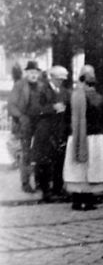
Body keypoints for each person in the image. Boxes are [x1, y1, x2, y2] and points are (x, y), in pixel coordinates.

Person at [63, 65, 103, 210]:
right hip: (94, 137)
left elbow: (67, 118)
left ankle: (77, 200)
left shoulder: (74, 95)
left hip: (77, 137)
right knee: (91, 168)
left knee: (79, 169)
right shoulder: (96, 97)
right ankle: (89, 199)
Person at [33, 66, 70, 202]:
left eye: (62, 80)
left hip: (59, 130)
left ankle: (58, 188)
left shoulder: (65, 92)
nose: (61, 82)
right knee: (45, 161)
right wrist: (52, 108)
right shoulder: (42, 90)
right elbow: (35, 109)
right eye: (59, 79)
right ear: (52, 77)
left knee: (59, 160)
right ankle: (45, 191)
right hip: (45, 131)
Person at [7, 61, 43, 193]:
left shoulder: (41, 85)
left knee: (40, 153)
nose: (34, 75)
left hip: (39, 123)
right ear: (26, 73)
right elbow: (11, 105)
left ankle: (40, 182)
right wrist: (21, 117)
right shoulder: (19, 85)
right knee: (26, 154)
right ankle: (25, 183)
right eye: (31, 72)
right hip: (25, 124)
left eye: (36, 72)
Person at [5, 63, 24, 170]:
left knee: (14, 140)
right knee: (17, 140)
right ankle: (18, 160)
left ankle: (18, 160)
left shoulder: (17, 85)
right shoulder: (21, 84)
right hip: (19, 116)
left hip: (18, 117)